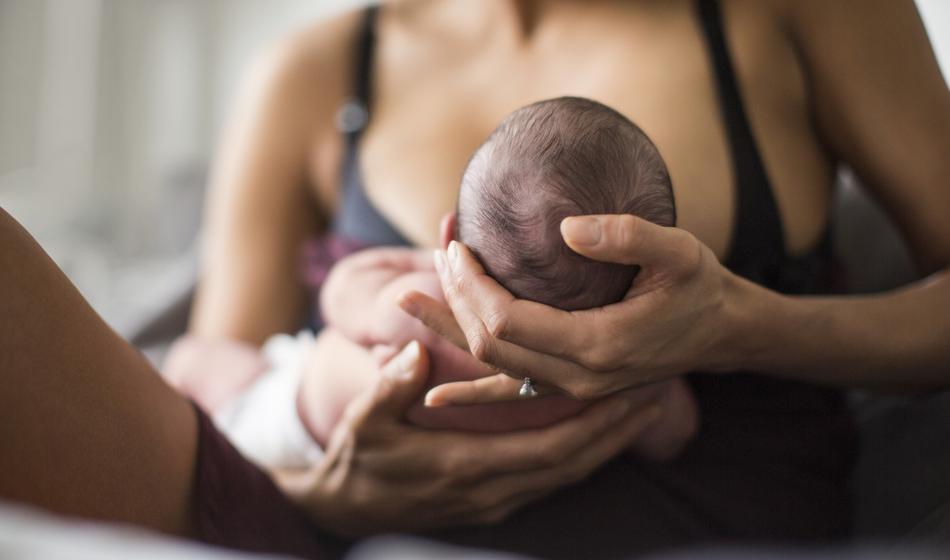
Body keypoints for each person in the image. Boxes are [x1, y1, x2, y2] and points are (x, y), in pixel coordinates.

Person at [1, 1, 948, 559]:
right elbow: (220, 432)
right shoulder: (314, 72)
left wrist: (740, 326)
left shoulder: (800, 16)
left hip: (699, 522)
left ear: (448, 241)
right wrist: (330, 502)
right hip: (311, 516)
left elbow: (244, 376)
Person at [292, 97, 697, 463]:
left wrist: (430, 263)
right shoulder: (628, 370)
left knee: (231, 369)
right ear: (647, 279)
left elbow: (340, 295)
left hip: (296, 430)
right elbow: (673, 435)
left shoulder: (420, 304)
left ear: (449, 237)